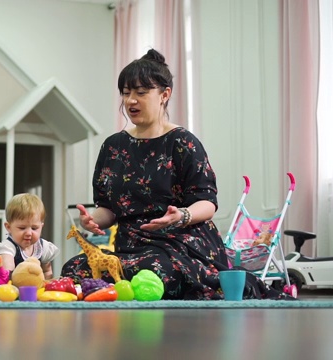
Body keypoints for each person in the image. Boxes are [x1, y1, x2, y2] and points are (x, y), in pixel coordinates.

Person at [60, 49, 293, 300]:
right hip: (130, 248)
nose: (130, 101)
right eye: (126, 93)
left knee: (154, 271)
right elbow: (109, 209)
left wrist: (181, 215)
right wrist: (93, 221)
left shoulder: (182, 142)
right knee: (75, 268)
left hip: (180, 243)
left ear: (164, 94)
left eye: (140, 92)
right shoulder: (113, 146)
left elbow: (207, 203)